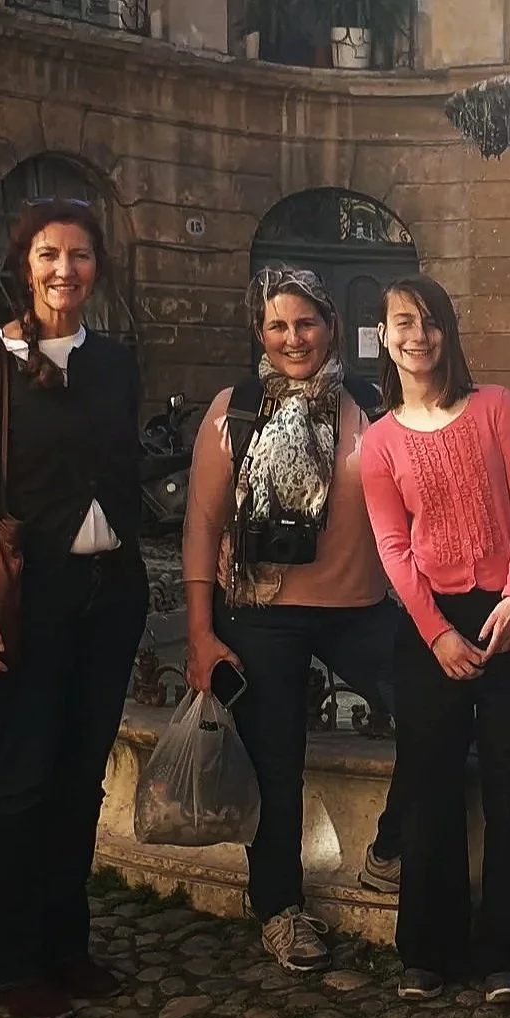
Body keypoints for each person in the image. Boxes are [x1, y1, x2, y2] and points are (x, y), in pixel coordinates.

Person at [0, 200, 148, 1018]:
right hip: (24, 599)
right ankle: (9, 959)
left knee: (80, 780)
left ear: (99, 268)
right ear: (24, 264)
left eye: (82, 255)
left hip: (109, 598)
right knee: (20, 780)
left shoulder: (116, 363)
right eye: (50, 255)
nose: (66, 270)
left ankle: (67, 943)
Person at [180, 266, 408, 974]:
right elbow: (200, 523)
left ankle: (388, 852)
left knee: (432, 706)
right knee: (277, 764)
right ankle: (279, 908)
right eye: (277, 325)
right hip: (261, 610)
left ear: (331, 328)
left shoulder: (369, 404)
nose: (293, 338)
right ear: (260, 332)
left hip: (359, 609)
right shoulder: (234, 408)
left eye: (306, 323)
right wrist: (199, 630)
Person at [360, 274, 510, 1005]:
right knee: (429, 780)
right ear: (384, 336)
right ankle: (429, 948)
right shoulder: (378, 442)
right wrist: (437, 633)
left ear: (448, 331)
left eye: (431, 321)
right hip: (428, 622)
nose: (418, 335)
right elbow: (391, 545)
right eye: (403, 322)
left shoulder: (496, 406)